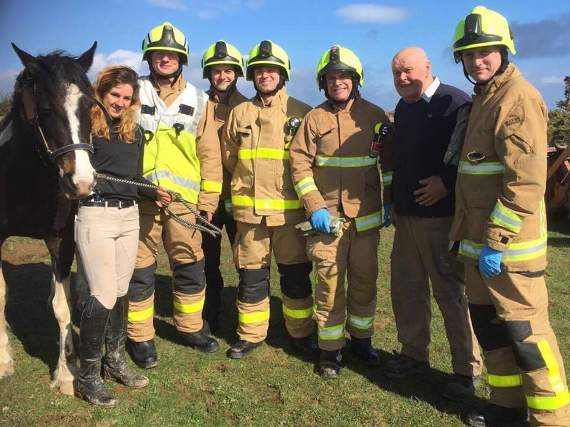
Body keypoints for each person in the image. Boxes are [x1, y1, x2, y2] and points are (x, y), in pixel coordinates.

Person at [451, 6, 570, 426]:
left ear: (504, 51)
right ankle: (505, 405)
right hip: (480, 247)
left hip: (509, 250)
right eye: (469, 54)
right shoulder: (485, 98)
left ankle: (551, 418)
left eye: (485, 52)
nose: (477, 61)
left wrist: (496, 240)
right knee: (491, 331)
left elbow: (525, 182)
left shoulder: (517, 98)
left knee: (527, 337)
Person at [381, 47, 482, 400]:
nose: (402, 78)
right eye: (396, 73)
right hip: (407, 218)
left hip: (441, 219)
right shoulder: (404, 109)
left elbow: (472, 155)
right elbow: (401, 159)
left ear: (427, 67)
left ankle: (466, 370)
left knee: (450, 295)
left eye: (408, 70)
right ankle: (413, 354)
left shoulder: (455, 103)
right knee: (406, 290)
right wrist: (394, 201)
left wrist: (446, 182)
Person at [126, 22, 222, 368]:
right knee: (139, 268)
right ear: (149, 58)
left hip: (183, 204)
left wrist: (208, 201)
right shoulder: (132, 92)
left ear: (182, 59)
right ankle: (140, 337)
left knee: (189, 265)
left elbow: (210, 154)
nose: (164, 59)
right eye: (158, 54)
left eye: (171, 54)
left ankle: (191, 328)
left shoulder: (199, 99)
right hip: (141, 199)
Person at [289, 45, 388, 378]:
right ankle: (330, 351)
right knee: (329, 286)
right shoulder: (314, 119)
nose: (338, 82)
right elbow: (299, 165)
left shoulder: (375, 116)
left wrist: (390, 200)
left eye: (344, 76)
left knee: (364, 282)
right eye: (331, 77)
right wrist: (315, 206)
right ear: (323, 82)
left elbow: (388, 161)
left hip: (366, 222)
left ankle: (362, 341)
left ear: (356, 80)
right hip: (327, 221)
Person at [74, 66, 168, 406]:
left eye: (127, 98)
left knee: (119, 292)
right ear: (101, 92)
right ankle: (87, 377)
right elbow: (77, 174)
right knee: (102, 295)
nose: (120, 102)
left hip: (129, 217)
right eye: (115, 95)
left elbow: (133, 177)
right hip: (95, 214)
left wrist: (153, 191)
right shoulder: (84, 128)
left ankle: (114, 361)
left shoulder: (134, 132)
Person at [222, 40, 315, 359]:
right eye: (259, 70)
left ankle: (301, 334)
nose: (265, 75)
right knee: (251, 278)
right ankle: (250, 335)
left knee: (296, 278)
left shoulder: (302, 113)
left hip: (290, 216)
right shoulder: (240, 113)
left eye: (271, 70)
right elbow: (230, 158)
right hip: (250, 216)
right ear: (252, 76)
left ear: (283, 74)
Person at [199, 40, 247, 332]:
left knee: (246, 259)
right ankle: (210, 314)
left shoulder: (248, 108)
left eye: (228, 70)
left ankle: (249, 315)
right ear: (208, 74)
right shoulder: (196, 105)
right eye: (217, 70)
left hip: (240, 197)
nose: (223, 76)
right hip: (208, 198)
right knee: (207, 259)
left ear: (237, 73)